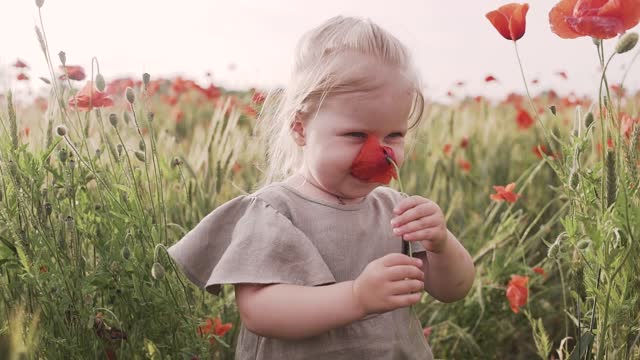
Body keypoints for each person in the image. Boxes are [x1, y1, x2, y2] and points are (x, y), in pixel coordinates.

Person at [168, 15, 475, 359]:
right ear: (300, 128)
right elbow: (259, 311)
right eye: (356, 135)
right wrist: (357, 296)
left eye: (395, 136)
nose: (380, 154)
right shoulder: (276, 211)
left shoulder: (395, 210)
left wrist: (441, 244)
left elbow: (454, 289)